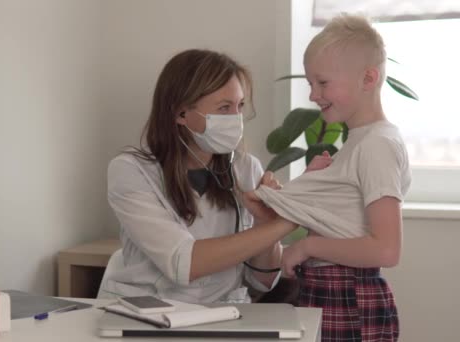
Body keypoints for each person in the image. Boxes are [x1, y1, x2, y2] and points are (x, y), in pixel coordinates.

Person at [247, 14, 411, 341]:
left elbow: (386, 250)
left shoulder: (376, 145)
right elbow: (343, 218)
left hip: (349, 296)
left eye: (322, 83)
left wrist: (307, 246)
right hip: (332, 291)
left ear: (368, 78)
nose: (312, 95)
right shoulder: (359, 142)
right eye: (310, 83)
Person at [102, 49, 299, 304]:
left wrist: (265, 222)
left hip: (225, 313)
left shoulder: (246, 168)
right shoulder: (131, 171)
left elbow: (261, 280)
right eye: (224, 108)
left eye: (239, 106)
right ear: (181, 113)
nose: (236, 119)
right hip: (149, 314)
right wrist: (284, 223)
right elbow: (183, 263)